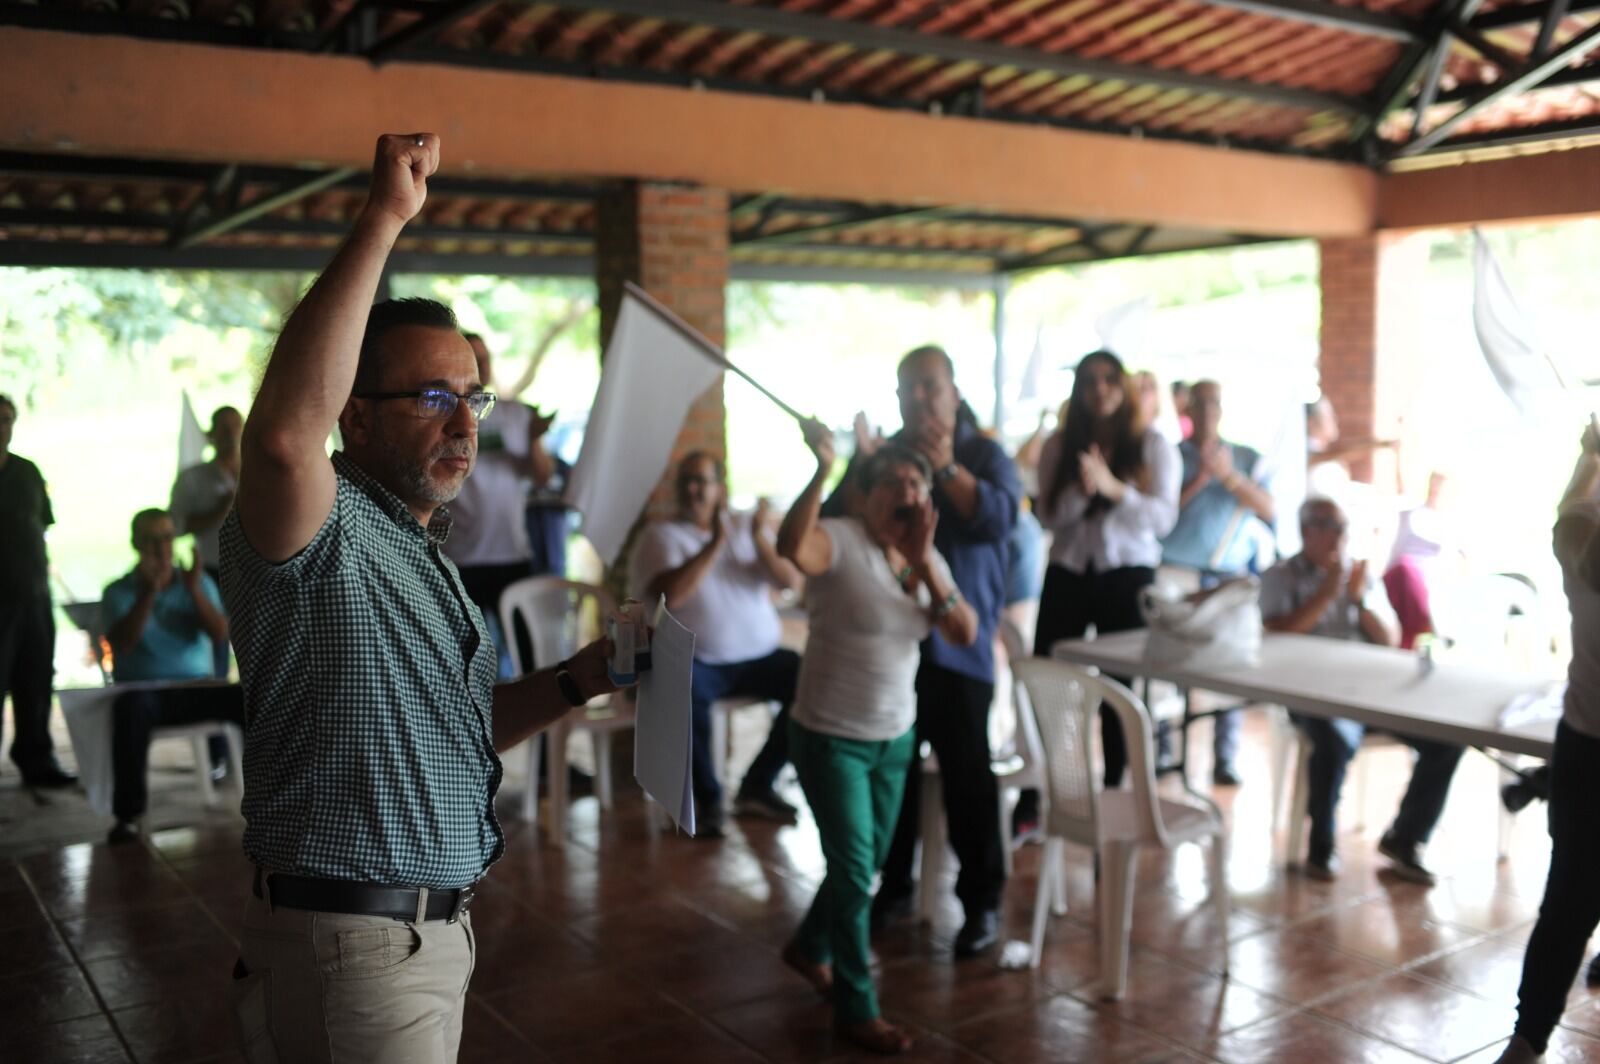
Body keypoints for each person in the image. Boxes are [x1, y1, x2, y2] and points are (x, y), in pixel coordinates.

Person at [219, 132, 622, 1063]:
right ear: (352, 413)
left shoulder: (422, 550)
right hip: (350, 948)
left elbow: (455, 731)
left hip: (430, 939)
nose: (464, 423)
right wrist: (385, 218)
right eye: (432, 397)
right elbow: (282, 437)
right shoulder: (317, 531)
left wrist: (577, 681)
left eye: (473, 399)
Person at [776, 422, 977, 1056]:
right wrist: (822, 469)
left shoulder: (924, 557)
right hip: (830, 737)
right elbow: (791, 544)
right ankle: (855, 1007)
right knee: (857, 869)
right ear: (862, 497)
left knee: (856, 867)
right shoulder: (842, 541)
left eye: (914, 480)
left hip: (895, 740)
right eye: (889, 479)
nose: (904, 489)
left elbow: (965, 633)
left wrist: (924, 565)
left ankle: (809, 948)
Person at [831, 346, 1019, 959]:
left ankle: (982, 903)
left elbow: (1001, 519)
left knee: (969, 780)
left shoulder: (984, 454)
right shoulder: (885, 459)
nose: (918, 400)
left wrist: (947, 471)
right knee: (896, 777)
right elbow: (833, 518)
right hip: (893, 648)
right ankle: (895, 887)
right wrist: (857, 468)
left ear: (954, 393)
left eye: (929, 388)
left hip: (960, 648)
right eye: (907, 390)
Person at [1261, 497, 1463, 885]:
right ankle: (1320, 846)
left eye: (1343, 527)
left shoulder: (1359, 576)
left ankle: (1405, 837)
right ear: (1307, 531)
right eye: (1329, 526)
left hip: (1369, 691)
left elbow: (1388, 640)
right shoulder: (1280, 576)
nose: (1339, 537)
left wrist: (1358, 599)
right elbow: (1277, 634)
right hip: (1310, 692)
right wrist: (1327, 593)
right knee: (1334, 739)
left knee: (1447, 738)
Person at [1493, 426, 1600, 1064]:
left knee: (1566, 901)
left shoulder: (1579, 553)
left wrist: (1590, 454)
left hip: (1583, 749)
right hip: (1585, 749)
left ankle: (1528, 1038)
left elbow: (1570, 509)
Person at [631, 451, 804, 836]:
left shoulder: (747, 527)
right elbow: (671, 595)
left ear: (720, 488)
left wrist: (759, 538)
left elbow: (791, 581)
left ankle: (759, 785)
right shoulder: (662, 536)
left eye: (702, 481)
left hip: (759, 658)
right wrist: (714, 545)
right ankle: (707, 803)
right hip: (701, 662)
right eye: (686, 482)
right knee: (681, 684)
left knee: (807, 679)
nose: (693, 490)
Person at [1032, 350, 1180, 787]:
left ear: (1125, 386)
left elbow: (1162, 519)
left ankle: (1117, 784)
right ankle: (1047, 787)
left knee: (1121, 687)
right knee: (1052, 678)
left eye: (1109, 379)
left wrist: (1116, 490)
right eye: (1089, 381)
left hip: (1126, 574)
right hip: (1069, 571)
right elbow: (1047, 516)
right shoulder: (1059, 446)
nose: (1099, 389)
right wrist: (1083, 489)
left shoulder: (1153, 445)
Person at [100, 509, 242, 844]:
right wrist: (149, 593)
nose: (161, 547)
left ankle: (274, 800)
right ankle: (129, 817)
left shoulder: (196, 581)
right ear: (136, 544)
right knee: (130, 709)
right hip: (146, 693)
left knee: (251, 695)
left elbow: (220, 633)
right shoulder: (119, 591)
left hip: (198, 687)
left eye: (166, 537)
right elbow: (122, 643)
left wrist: (193, 590)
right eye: (151, 540)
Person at [1160, 380, 1275, 786]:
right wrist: (1201, 478)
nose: (1208, 411)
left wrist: (1229, 478)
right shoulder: (1170, 457)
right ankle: (1163, 747)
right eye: (1200, 403)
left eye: (1214, 403)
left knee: (1230, 664)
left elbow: (1269, 510)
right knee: (1166, 662)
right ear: (1187, 409)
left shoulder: (1245, 457)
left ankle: (1224, 756)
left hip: (1228, 574)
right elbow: (1158, 515)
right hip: (1177, 570)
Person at [441, 332, 545, 676]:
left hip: (511, 553)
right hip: (461, 557)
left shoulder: (514, 414)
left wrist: (534, 442)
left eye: (485, 359)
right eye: (474, 358)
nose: (482, 366)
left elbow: (543, 476)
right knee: (464, 659)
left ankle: (540, 729)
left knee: (528, 654)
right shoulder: (443, 414)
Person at [0, 394, 75, 787]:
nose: (2, 428)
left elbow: (42, 527)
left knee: (36, 678)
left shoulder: (27, 472)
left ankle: (37, 760)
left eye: (7, 420)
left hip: (33, 595)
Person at [170, 404, 243, 679]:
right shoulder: (194, 479)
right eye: (222, 429)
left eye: (234, 427)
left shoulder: (261, 471)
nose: (229, 435)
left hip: (258, 568)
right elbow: (175, 526)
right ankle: (218, 692)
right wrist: (218, 510)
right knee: (217, 639)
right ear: (210, 435)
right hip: (214, 571)